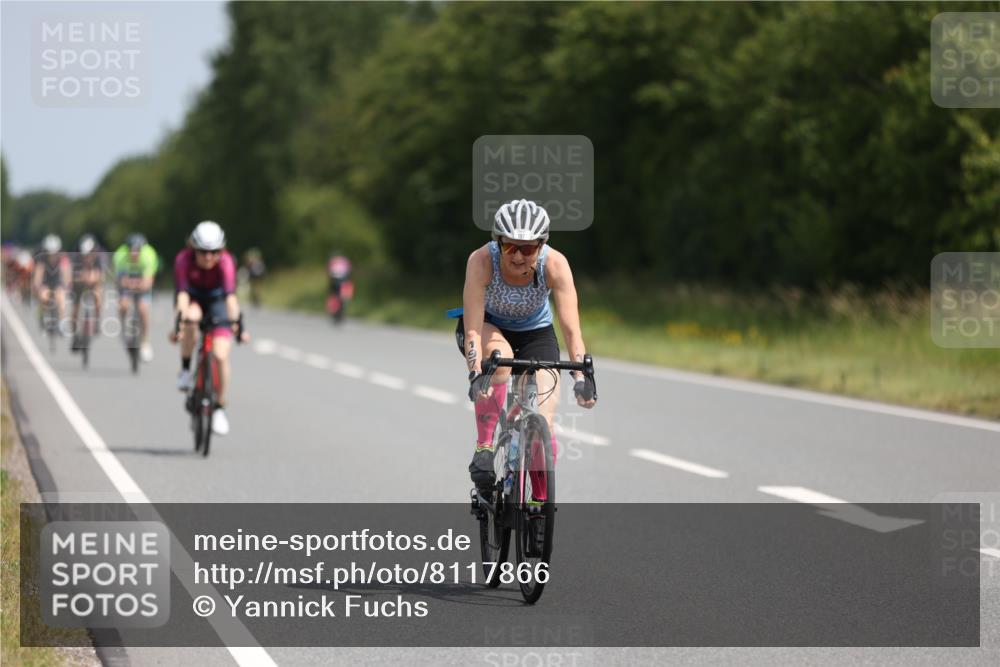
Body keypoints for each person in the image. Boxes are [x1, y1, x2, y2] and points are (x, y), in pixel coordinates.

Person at [459, 199, 597, 494]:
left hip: (536, 332)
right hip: (489, 326)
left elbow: (572, 331)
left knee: (545, 415)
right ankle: (484, 445)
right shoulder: (481, 261)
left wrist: (582, 378)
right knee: (502, 362)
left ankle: (540, 498)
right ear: (498, 242)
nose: (519, 256)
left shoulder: (555, 264)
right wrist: (475, 373)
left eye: (529, 248)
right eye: (510, 247)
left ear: (541, 245)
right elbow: (472, 327)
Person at [169, 221, 248, 436]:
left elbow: (231, 299)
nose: (209, 257)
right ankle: (185, 369)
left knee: (221, 356)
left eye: (214, 252)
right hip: (193, 299)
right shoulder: (183, 261)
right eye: (203, 252)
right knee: (191, 319)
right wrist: (179, 324)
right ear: (193, 248)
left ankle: (220, 408)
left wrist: (239, 325)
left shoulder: (226, 262)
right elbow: (182, 297)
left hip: (217, 302)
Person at [113, 233, 159, 361]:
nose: (134, 254)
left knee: (143, 309)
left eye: (137, 251)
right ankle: (123, 330)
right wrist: (130, 284)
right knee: (123, 305)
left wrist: (134, 284)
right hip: (128, 284)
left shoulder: (149, 256)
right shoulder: (120, 256)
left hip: (142, 284)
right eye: (131, 251)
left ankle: (145, 342)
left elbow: (148, 283)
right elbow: (120, 281)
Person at [69, 234, 106, 351]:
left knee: (98, 295)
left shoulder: (99, 258)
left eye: (90, 255)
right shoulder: (75, 258)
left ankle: (97, 319)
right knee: (75, 310)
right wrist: (80, 278)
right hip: (78, 285)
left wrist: (92, 278)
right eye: (85, 255)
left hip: (93, 284)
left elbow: (101, 276)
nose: (87, 258)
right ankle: (75, 335)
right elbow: (70, 277)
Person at [32, 234, 71, 330]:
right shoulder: (42, 259)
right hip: (45, 282)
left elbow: (66, 272)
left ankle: (61, 323)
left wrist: (67, 285)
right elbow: (38, 274)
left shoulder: (63, 258)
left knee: (61, 298)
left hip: (57, 281)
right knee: (44, 296)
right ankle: (42, 315)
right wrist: (37, 286)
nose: (53, 255)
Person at [326, 252, 353, 321]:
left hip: (335, 281)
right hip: (343, 280)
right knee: (341, 296)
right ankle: (339, 309)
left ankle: (334, 310)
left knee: (334, 295)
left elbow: (328, 271)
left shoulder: (333, 261)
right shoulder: (344, 261)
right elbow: (349, 271)